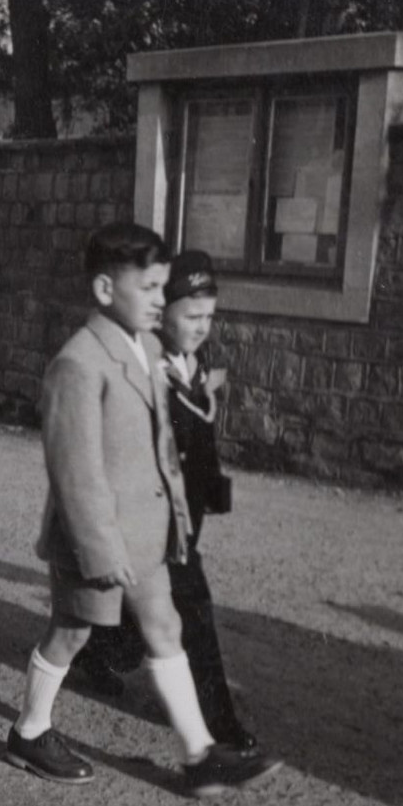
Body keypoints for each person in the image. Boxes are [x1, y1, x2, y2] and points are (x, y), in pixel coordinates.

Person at [4, 222, 280, 795]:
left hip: (146, 531)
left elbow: (161, 448)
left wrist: (176, 518)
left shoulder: (149, 347)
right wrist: (101, 551)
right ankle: (30, 730)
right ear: (105, 290)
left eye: (163, 287)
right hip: (95, 539)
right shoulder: (79, 363)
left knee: (165, 625)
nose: (162, 299)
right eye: (150, 287)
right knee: (72, 632)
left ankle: (201, 754)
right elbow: (74, 473)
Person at [154, 251, 262, 752]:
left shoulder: (191, 362)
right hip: (156, 516)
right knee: (193, 608)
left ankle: (98, 654)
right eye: (191, 316)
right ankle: (218, 723)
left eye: (209, 317)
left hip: (187, 509)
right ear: (162, 310)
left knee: (143, 611)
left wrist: (213, 483)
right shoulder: (151, 367)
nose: (202, 327)